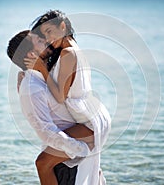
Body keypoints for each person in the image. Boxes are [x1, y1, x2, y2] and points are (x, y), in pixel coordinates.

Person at [25, 10, 111, 184]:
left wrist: (41, 69)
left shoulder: (68, 54)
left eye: (49, 31)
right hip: (89, 116)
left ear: (62, 26)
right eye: (44, 35)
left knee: (43, 163)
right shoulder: (70, 51)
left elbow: (60, 96)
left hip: (89, 122)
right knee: (55, 157)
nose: (47, 38)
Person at [7, 30, 103, 185]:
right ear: (31, 55)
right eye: (39, 40)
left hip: (71, 151)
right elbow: (46, 131)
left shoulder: (45, 75)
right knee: (42, 164)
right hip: (67, 157)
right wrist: (81, 149)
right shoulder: (32, 88)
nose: (45, 39)